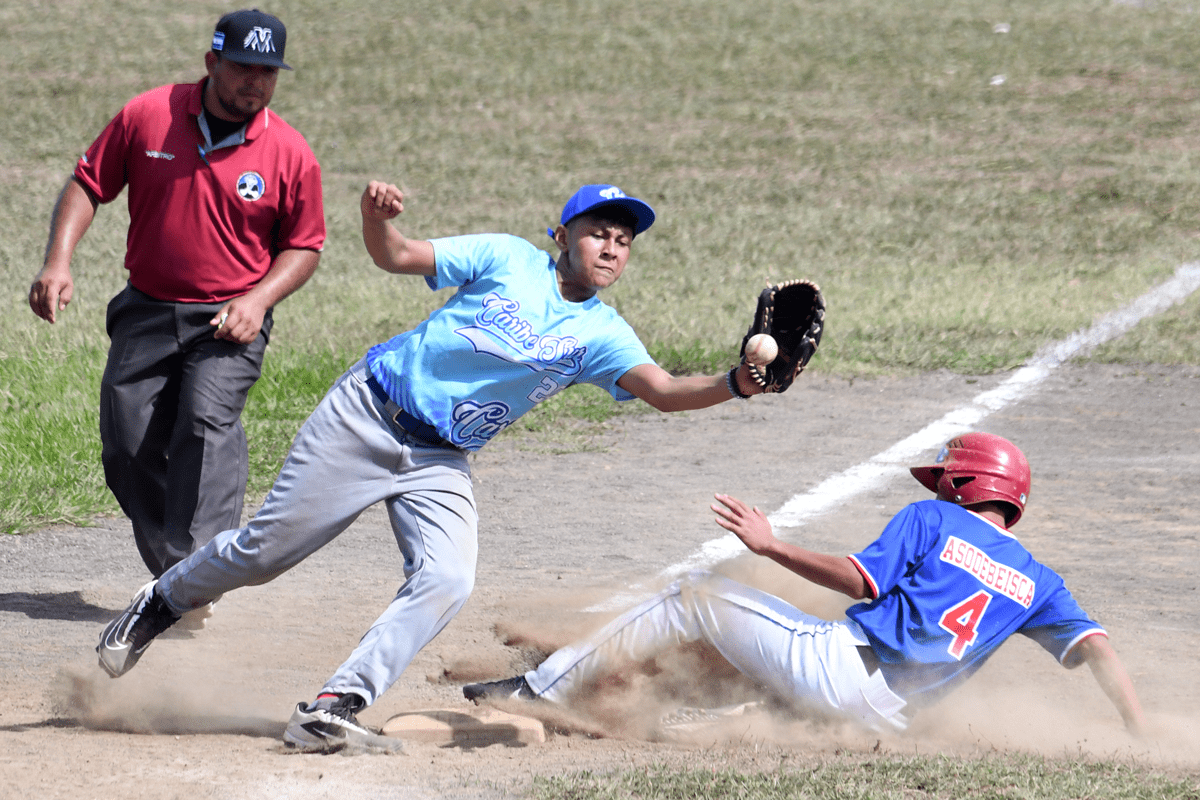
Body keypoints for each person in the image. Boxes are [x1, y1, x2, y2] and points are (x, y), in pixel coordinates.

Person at [94, 180, 772, 752]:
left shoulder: (602, 333)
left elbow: (663, 391)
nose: (612, 249)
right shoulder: (507, 259)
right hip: (366, 413)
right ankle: (165, 598)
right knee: (268, 551)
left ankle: (335, 705)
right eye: (600, 232)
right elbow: (399, 255)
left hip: (437, 458)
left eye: (624, 242)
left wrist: (735, 383)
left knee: (448, 577)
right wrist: (375, 218)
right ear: (562, 235)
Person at [463, 433, 1146, 739]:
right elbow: (1101, 653)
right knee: (766, 646)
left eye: (945, 477)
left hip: (841, 676)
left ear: (964, 485)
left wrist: (772, 544)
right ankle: (682, 705)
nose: (939, 486)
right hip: (888, 720)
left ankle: (539, 688)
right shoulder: (1042, 583)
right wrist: (1136, 727)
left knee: (696, 595)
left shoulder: (936, 518)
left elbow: (859, 578)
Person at [27, 10, 326, 603]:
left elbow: (305, 245)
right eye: (243, 67)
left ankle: (194, 578)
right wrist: (58, 261)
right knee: (126, 448)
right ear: (212, 62)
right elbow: (91, 183)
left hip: (229, 317)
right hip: (147, 309)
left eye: (268, 72)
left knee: (205, 422)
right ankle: (178, 570)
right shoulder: (149, 116)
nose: (255, 83)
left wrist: (259, 299)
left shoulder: (290, 152)